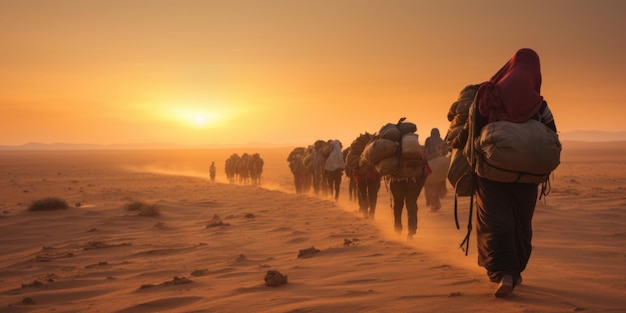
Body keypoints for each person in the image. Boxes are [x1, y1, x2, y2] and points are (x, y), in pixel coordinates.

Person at [471, 48, 557, 297]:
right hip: (527, 177)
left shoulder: (490, 93)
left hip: (491, 174)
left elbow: (475, 131)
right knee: (521, 223)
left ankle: (504, 273)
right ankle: (515, 271)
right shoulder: (540, 106)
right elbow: (551, 134)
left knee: (494, 221)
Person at [389, 155, 428, 240]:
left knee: (398, 206)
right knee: (411, 207)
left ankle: (397, 229)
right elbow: (424, 172)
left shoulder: (393, 154)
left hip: (396, 183)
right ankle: (411, 231)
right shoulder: (415, 153)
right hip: (411, 183)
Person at [423, 128, 450, 211]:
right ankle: (435, 204)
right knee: (437, 185)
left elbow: (425, 151)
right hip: (439, 167)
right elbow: (445, 152)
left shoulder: (428, 140)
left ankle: (434, 205)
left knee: (430, 186)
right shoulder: (441, 141)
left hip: (430, 166)